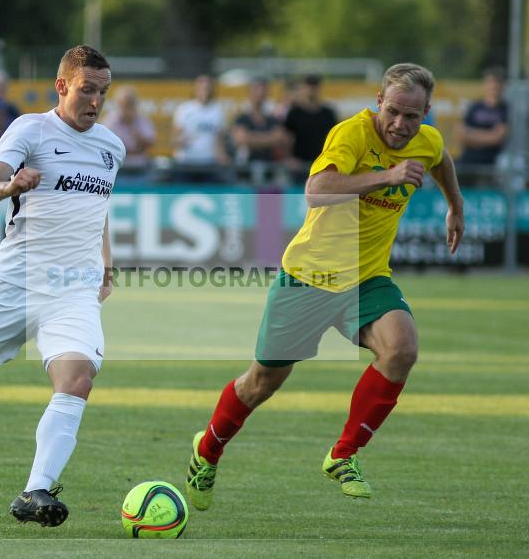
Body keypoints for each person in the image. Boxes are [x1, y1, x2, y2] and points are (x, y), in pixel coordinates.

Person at [185, 63, 465, 510]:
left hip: (367, 278)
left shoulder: (426, 140)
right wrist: (386, 176)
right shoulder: (350, 135)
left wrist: (456, 206)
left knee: (402, 347)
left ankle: (343, 454)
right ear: (378, 101)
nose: (400, 124)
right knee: (262, 383)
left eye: (412, 117)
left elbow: (441, 158)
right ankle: (208, 450)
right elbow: (316, 190)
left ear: (426, 113)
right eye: (393, 112)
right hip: (309, 278)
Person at [0, 45, 124, 527]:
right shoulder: (29, 129)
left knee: (77, 378)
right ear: (62, 86)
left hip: (73, 290)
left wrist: (107, 263)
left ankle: (36, 490)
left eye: (102, 92)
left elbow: (98, 209)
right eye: (86, 90)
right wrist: (11, 186)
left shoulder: (112, 147)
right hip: (15, 283)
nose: (95, 102)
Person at [172, 74, 229, 181]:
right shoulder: (185, 109)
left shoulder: (218, 111)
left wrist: (222, 156)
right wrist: (181, 142)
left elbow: (219, 139)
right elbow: (176, 136)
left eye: (207, 88)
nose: (204, 91)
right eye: (202, 88)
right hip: (187, 162)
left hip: (209, 162)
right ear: (195, 89)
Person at [283, 74, 337, 181]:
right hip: (299, 166)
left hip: (322, 165)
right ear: (304, 88)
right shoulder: (294, 112)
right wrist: (289, 158)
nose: (312, 89)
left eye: (315, 85)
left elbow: (334, 139)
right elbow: (286, 138)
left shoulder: (328, 113)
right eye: (309, 85)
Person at [231, 77, 286, 182]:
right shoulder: (242, 118)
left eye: (263, 90)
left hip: (269, 170)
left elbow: (279, 139)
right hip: (246, 171)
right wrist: (268, 139)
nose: (260, 94)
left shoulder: (272, 119)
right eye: (256, 90)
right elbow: (241, 139)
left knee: (268, 197)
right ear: (250, 93)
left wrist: (251, 138)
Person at [457, 67, 508, 169]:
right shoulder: (474, 107)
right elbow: (460, 134)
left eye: (497, 83)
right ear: (485, 85)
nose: (493, 87)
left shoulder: (506, 109)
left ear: (503, 86)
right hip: (467, 161)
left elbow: (498, 138)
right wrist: (488, 136)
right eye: (490, 83)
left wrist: (472, 134)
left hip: (492, 164)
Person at [101, 85, 156, 178]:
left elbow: (148, 144)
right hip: (116, 170)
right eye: (124, 104)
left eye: (130, 104)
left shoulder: (143, 120)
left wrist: (131, 125)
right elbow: (105, 146)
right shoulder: (110, 121)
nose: (127, 107)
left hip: (140, 168)